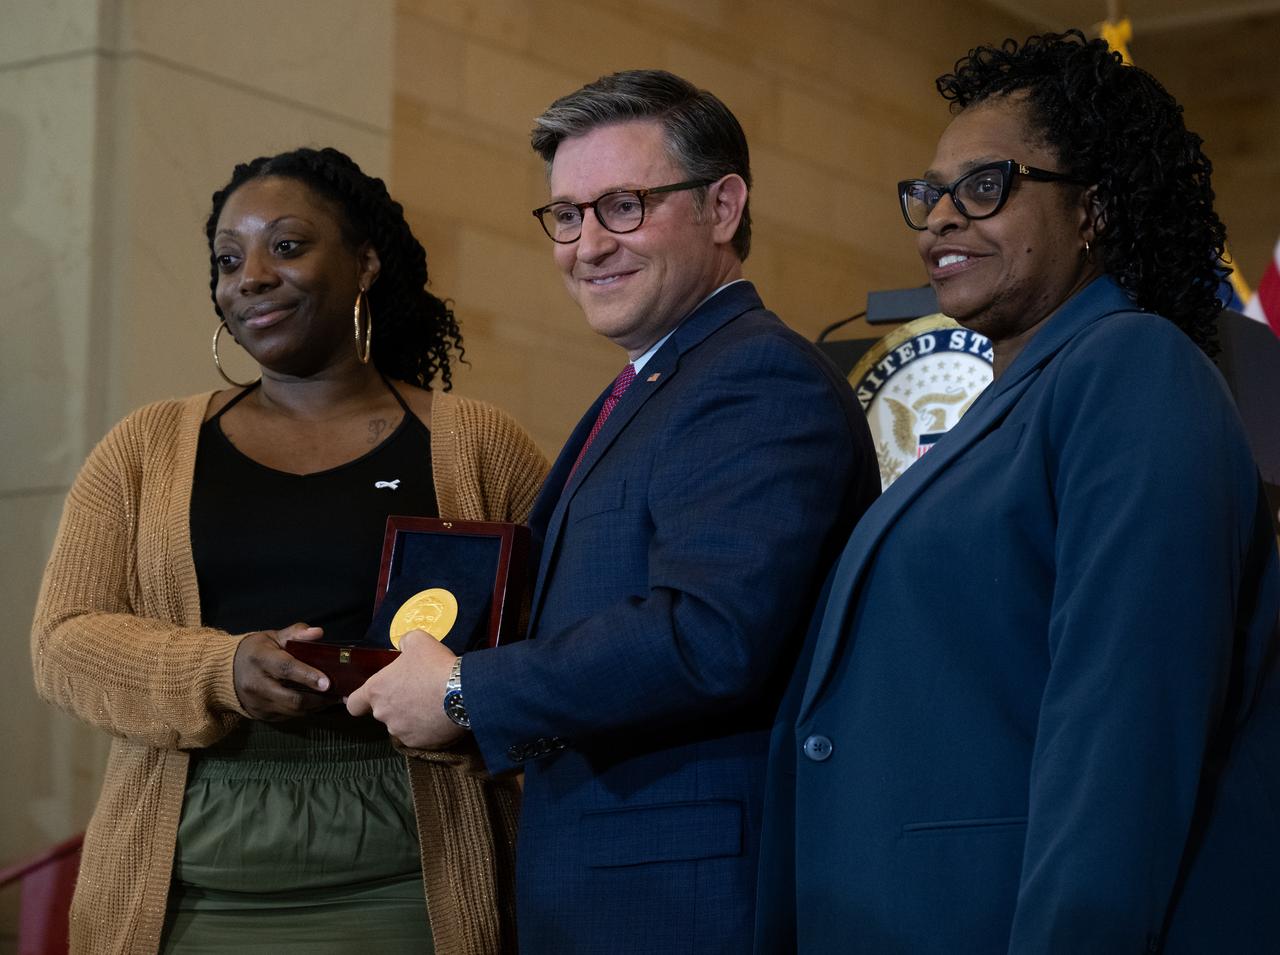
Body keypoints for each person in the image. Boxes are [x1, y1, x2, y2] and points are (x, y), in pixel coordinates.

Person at [755, 30, 1280, 953]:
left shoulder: (1134, 369)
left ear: (1096, 210)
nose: (939, 220)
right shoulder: (1015, 402)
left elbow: (1123, 735)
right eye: (927, 195)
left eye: (985, 187)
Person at [348, 69, 880, 952]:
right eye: (567, 213)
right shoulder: (657, 382)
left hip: (689, 897)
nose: (587, 243)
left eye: (623, 205)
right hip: (615, 884)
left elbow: (708, 635)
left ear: (723, 205)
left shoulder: (755, 377)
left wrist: (461, 688)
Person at [31, 146, 547, 954]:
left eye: (289, 245)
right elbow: (61, 641)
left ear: (366, 261)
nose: (252, 277)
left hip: (414, 862)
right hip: (186, 867)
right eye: (228, 260)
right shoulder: (144, 449)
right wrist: (220, 668)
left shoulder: (477, 446)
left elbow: (554, 650)